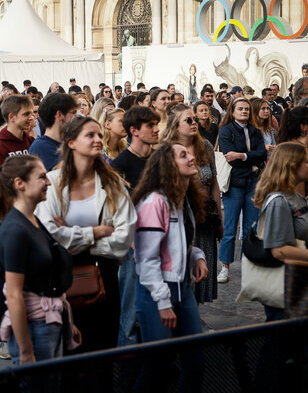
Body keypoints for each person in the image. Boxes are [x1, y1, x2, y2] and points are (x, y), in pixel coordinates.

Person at [35, 116, 136, 353]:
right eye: (90, 135)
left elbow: (123, 238)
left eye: (99, 135)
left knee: (104, 354)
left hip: (105, 278)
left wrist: (73, 237)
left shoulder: (112, 183)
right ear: (71, 142)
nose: (98, 139)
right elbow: (50, 236)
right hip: (62, 279)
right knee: (72, 357)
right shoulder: (52, 182)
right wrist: (97, 232)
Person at [0, 155, 76, 365]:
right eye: (42, 177)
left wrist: (68, 324)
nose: (48, 182)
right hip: (36, 330)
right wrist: (26, 350)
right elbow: (13, 295)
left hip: (47, 325)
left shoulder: (32, 220)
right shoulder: (15, 229)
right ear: (20, 184)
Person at [133, 142, 208, 341]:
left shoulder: (184, 199)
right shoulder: (155, 202)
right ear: (169, 165)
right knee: (159, 364)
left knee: (194, 357)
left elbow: (176, 243)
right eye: (183, 155)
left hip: (183, 287)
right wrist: (163, 301)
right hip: (156, 291)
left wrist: (197, 256)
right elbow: (146, 257)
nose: (191, 157)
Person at [162, 106, 222, 305]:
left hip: (205, 216)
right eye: (188, 120)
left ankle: (195, 312)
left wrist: (219, 217)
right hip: (181, 217)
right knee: (183, 268)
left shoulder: (205, 145)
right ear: (175, 126)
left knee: (203, 267)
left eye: (195, 119)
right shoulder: (167, 150)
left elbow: (214, 183)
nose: (194, 122)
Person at [110, 106, 160, 347]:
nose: (157, 129)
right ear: (134, 131)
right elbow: (114, 210)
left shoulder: (157, 160)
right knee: (129, 303)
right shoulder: (120, 164)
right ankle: (126, 353)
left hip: (160, 239)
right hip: (133, 244)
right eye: (150, 125)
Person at [251, 142, 308, 321]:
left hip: (298, 284)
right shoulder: (279, 201)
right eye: (306, 162)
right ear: (291, 165)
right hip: (286, 288)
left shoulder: (295, 196)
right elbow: (279, 250)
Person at [217, 97, 267, 283]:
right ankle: (225, 267)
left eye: (247, 109)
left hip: (252, 182)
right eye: (240, 109)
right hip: (234, 183)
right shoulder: (226, 131)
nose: (244, 111)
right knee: (230, 228)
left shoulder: (255, 131)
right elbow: (228, 155)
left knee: (250, 227)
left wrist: (242, 155)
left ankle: (248, 265)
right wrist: (248, 158)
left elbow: (262, 154)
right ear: (233, 111)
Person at [28, 93, 77, 171]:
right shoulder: (41, 147)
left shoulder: (66, 142)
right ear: (59, 115)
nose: (75, 117)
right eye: (72, 113)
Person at [0, 95, 35, 169]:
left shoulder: (31, 141)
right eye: (26, 114)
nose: (31, 118)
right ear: (11, 117)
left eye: (31, 114)